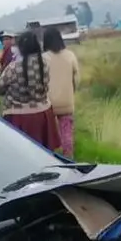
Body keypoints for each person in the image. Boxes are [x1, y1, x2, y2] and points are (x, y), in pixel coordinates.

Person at [0, 31, 60, 151]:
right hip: (43, 113)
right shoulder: (44, 63)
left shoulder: (13, 67)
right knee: (45, 153)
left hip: (19, 117)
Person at [42, 27, 81, 158]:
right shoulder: (70, 55)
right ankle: (68, 157)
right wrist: (72, 91)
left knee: (49, 133)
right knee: (66, 132)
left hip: (48, 103)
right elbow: (76, 78)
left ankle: (51, 158)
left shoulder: (44, 58)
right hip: (67, 101)